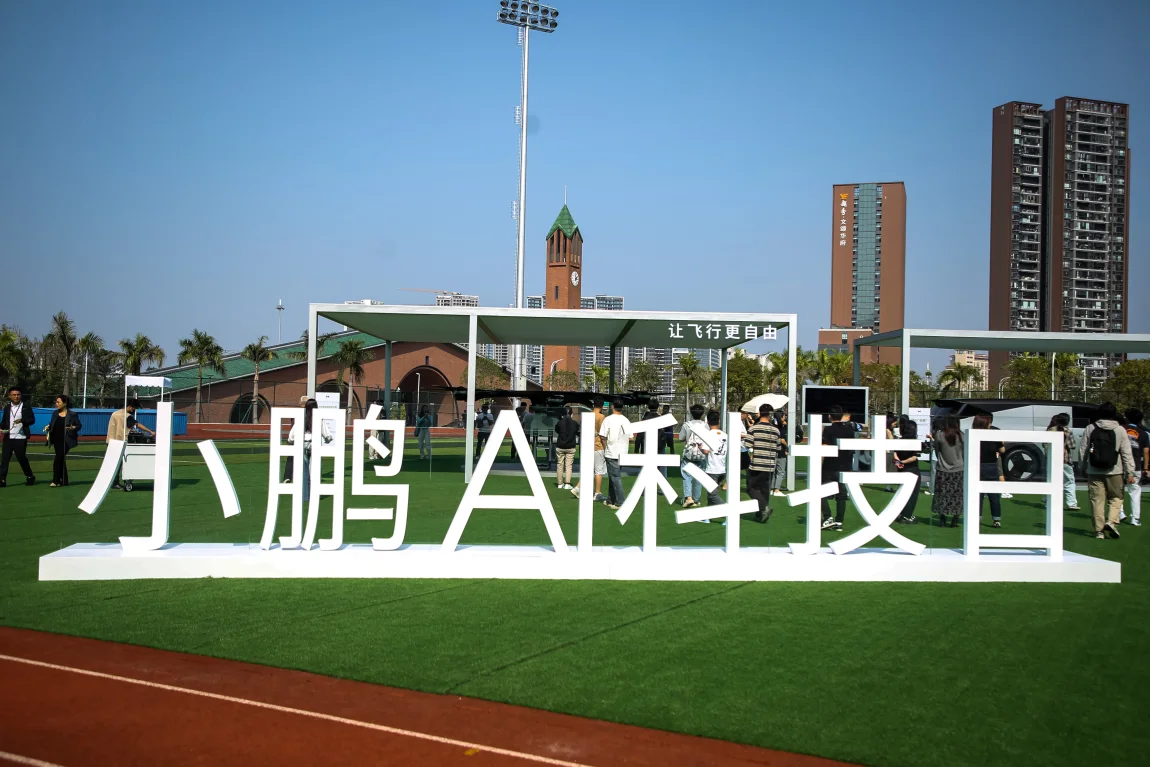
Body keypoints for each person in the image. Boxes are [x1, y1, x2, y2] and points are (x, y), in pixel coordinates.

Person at [1077, 402, 1136, 539]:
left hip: (1094, 470)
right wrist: (1130, 472)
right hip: (1115, 470)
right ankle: (1112, 521)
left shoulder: (1091, 428)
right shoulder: (1120, 430)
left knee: (1097, 501)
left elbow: (1083, 450)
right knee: (1116, 498)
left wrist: (1083, 467)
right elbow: (1126, 453)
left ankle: (1099, 531)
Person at [288, 398, 333, 501]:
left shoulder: (301, 418)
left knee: (303, 473)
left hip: (302, 445)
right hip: (314, 445)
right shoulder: (319, 419)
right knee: (315, 472)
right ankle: (314, 495)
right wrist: (327, 440)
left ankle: (305, 496)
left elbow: (291, 436)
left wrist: (291, 441)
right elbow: (328, 436)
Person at [742, 404, 780, 522]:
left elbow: (747, 445)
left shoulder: (753, 428)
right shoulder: (775, 430)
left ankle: (763, 508)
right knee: (764, 490)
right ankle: (760, 514)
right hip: (770, 465)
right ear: (770, 414)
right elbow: (778, 447)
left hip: (756, 464)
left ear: (759, 412)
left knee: (751, 488)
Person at [107, 398, 154, 490]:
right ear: (130, 407)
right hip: (120, 441)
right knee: (120, 463)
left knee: (113, 463)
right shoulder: (127, 416)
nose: (134, 410)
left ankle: (112, 481)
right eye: (134, 408)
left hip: (111, 440)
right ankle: (116, 482)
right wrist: (150, 431)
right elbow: (138, 425)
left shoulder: (115, 413)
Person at [820, 406, 854, 530]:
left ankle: (827, 516)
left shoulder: (828, 430)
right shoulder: (849, 430)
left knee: (820, 491)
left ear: (829, 416)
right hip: (845, 465)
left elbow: (824, 447)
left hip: (830, 465)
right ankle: (839, 521)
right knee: (841, 495)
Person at [571, 401, 608, 503]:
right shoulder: (601, 417)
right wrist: (606, 447)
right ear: (602, 406)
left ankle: (577, 488)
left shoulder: (587, 416)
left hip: (587, 445)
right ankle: (597, 493)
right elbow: (602, 433)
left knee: (589, 470)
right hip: (598, 445)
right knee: (598, 471)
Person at [972, 413, 1005, 528]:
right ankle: (996, 519)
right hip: (991, 466)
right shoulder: (994, 433)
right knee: (994, 496)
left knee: (978, 496)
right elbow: (1002, 449)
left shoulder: (973, 433)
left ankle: (977, 518)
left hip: (977, 466)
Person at [931, 415, 964, 527]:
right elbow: (964, 453)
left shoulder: (939, 435)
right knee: (957, 495)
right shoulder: (961, 436)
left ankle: (942, 518)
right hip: (959, 469)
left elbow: (937, 450)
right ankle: (955, 517)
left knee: (941, 494)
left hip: (942, 468)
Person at [0, 386, 36, 487]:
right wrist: (1, 428)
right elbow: (4, 421)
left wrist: (22, 420)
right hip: (8, 437)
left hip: (21, 437)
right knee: (5, 459)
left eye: (18, 395)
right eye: (14, 395)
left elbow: (32, 420)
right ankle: (2, 479)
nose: (16, 396)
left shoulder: (26, 407)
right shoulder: (7, 408)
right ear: (10, 396)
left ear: (21, 396)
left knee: (21, 458)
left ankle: (30, 476)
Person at [599, 399, 632, 509]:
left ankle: (620, 502)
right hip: (623, 453)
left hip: (612, 452)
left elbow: (602, 436)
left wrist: (606, 448)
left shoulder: (608, 419)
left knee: (615, 477)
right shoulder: (626, 420)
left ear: (612, 406)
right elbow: (631, 437)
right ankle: (610, 500)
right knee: (613, 476)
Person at [44, 395, 82, 487]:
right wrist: (48, 426)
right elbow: (52, 423)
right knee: (60, 459)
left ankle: (55, 480)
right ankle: (64, 481)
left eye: (58, 402)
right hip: (56, 439)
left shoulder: (72, 414)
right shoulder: (55, 413)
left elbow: (79, 425)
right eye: (56, 402)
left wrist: (73, 427)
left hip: (67, 440)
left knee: (58, 458)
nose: (56, 404)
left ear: (65, 403)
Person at [1047, 413, 1079, 511]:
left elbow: (1045, 444)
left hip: (1052, 459)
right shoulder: (1068, 431)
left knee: (1052, 481)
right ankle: (1071, 503)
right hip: (1065, 460)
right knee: (1069, 482)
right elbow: (1072, 446)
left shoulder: (1050, 430)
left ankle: (1048, 501)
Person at [679, 403, 708, 508]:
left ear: (691, 413)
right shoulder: (706, 426)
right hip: (701, 454)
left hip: (689, 454)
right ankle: (696, 500)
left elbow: (681, 438)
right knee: (699, 478)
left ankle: (688, 498)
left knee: (686, 476)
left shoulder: (687, 425)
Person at [1122, 408, 1148, 526]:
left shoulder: (1120, 429)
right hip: (1136, 465)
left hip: (1120, 465)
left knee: (1117, 490)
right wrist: (1146, 468)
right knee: (1135, 491)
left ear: (1127, 418)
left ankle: (1120, 513)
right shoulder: (1144, 433)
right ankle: (1135, 518)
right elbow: (1146, 452)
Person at [892, 417, 921, 524]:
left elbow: (895, 454)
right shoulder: (914, 443)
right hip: (912, 469)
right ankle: (907, 515)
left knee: (901, 492)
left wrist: (899, 463)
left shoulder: (900, 441)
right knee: (912, 493)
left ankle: (900, 513)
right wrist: (903, 462)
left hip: (901, 469)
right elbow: (914, 457)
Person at [701, 409, 729, 507]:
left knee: (712, 495)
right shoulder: (725, 435)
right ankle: (709, 514)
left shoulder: (708, 435)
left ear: (708, 421)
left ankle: (728, 511)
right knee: (711, 496)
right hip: (722, 469)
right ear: (719, 421)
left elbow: (706, 451)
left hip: (712, 469)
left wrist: (700, 448)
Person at [284, 395, 309, 483]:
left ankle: (287, 477)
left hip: (294, 438)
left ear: (300, 403)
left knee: (291, 458)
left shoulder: (295, 413)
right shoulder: (310, 413)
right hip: (305, 439)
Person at [553, 406, 578, 490]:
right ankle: (567, 483)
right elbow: (576, 431)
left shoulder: (559, 423)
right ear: (571, 414)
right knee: (568, 466)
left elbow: (557, 430)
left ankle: (560, 483)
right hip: (570, 446)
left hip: (560, 446)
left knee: (559, 465)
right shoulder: (574, 423)